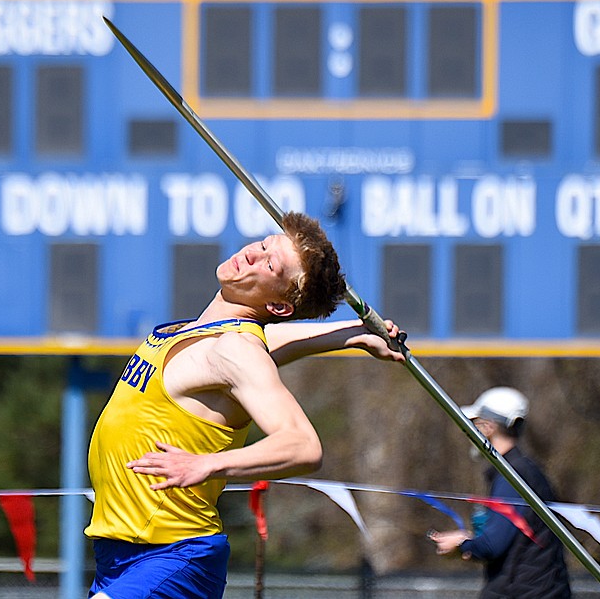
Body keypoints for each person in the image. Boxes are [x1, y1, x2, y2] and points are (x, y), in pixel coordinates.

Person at [85, 211, 404, 599]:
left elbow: (303, 446)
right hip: (119, 554)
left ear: (280, 306)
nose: (253, 253)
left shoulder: (238, 350)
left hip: (174, 555)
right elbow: (277, 345)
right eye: (265, 243)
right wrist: (351, 335)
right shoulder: (197, 334)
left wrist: (206, 464)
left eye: (271, 264)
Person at [428, 386, 571, 599]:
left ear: (488, 427)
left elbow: (492, 545)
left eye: (475, 424)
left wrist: (460, 545)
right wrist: (467, 540)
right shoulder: (525, 471)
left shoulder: (513, 475)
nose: (470, 431)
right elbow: (509, 537)